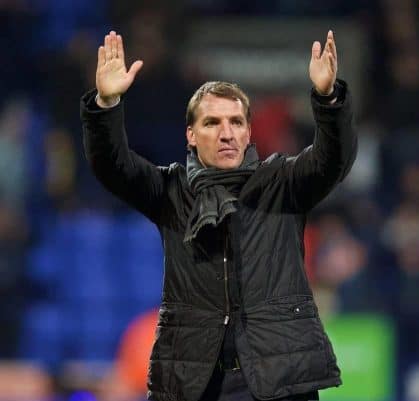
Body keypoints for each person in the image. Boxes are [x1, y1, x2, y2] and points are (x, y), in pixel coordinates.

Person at [80, 30, 356, 401]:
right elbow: (112, 166)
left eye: (236, 122)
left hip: (278, 381)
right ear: (191, 135)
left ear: (248, 133)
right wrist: (106, 104)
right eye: (212, 123)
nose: (226, 133)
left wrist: (327, 99)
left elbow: (333, 158)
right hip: (196, 382)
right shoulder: (170, 190)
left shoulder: (282, 183)